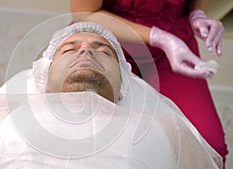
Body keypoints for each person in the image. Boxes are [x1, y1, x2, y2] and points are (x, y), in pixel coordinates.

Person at [0, 22, 223, 169]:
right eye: (70, 49)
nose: (86, 51)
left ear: (123, 83)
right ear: (43, 76)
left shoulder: (169, 130)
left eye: (104, 50)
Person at [70, 0, 228, 165]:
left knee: (208, 145)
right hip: (105, 45)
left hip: (174, 42)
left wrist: (197, 14)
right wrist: (158, 38)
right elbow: (85, 14)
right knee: (109, 145)